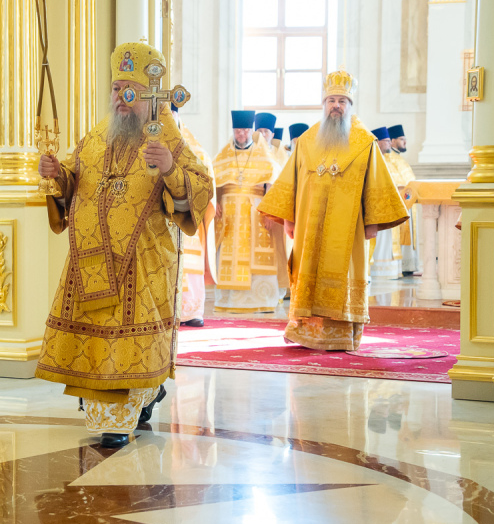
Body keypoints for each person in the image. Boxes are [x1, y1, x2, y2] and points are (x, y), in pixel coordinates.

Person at [35, 41, 213, 449]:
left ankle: (127, 410)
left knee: (130, 342)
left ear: (151, 97)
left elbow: (199, 191)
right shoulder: (97, 137)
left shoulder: (171, 140)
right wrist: (56, 174)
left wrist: (170, 168)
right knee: (98, 340)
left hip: (142, 264)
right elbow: (73, 182)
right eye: (116, 89)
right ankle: (122, 400)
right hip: (90, 262)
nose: (120, 97)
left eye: (130, 90)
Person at [259, 69, 408, 350]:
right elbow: (291, 180)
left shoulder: (365, 142)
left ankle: (342, 335)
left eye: (342, 101)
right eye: (331, 100)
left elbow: (376, 184)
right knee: (307, 271)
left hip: (348, 227)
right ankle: (303, 330)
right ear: (324, 104)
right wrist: (288, 218)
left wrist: (372, 223)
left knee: (344, 273)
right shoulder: (306, 141)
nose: (336, 106)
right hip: (309, 224)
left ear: (350, 105)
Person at [212, 110, 281, 313]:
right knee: (228, 254)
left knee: (256, 255)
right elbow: (210, 180)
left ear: (251, 131)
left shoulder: (264, 155)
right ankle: (229, 300)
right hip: (229, 216)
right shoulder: (223, 155)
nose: (241, 134)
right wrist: (213, 201)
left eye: (245, 130)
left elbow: (272, 184)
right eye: (237, 130)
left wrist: (270, 212)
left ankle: (260, 299)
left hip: (255, 214)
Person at [172, 103, 216, 328]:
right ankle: (169, 312)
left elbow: (207, 178)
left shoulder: (195, 150)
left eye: (171, 114)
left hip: (189, 214)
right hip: (163, 215)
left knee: (190, 261)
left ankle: (192, 312)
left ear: (178, 116)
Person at [368, 127, 402, 280]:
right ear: (378, 143)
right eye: (387, 141)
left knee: (388, 241)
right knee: (379, 241)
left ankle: (390, 272)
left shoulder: (389, 160)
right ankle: (377, 273)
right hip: (377, 207)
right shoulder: (372, 160)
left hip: (390, 206)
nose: (389, 144)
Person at [386, 124, 418, 274]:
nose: (405, 142)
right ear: (392, 141)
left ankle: (408, 266)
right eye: (401, 139)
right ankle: (403, 267)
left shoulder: (399, 158)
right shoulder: (388, 159)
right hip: (401, 202)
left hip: (409, 201)